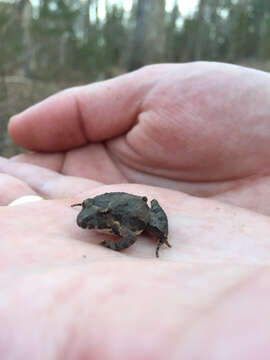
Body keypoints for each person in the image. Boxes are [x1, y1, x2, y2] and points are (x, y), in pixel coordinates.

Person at [0, 61, 270, 359]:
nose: (85, 220)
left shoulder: (120, 225)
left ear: (106, 220)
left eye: (94, 219)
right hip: (117, 198)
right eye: (88, 214)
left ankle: (164, 237)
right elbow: (93, 209)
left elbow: (128, 238)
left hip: (137, 209)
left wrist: (112, 247)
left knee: (154, 230)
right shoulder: (95, 211)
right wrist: (87, 205)